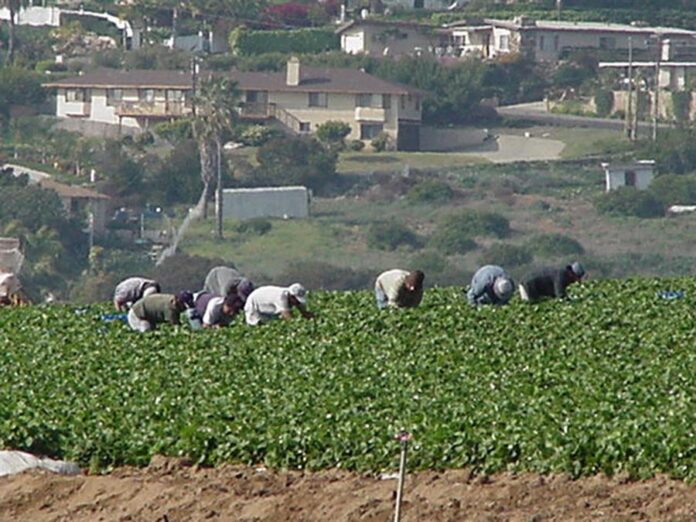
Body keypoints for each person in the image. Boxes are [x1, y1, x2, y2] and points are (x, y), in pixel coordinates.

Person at [244, 283, 313, 326]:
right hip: (254, 304)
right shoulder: (282, 297)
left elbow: (303, 311)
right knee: (257, 325)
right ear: (292, 296)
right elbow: (287, 317)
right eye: (296, 300)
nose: (297, 303)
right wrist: (299, 327)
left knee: (271, 323)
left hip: (267, 306)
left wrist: (311, 318)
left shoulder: (291, 297)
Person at [127, 291, 194, 332]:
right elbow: (175, 326)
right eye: (184, 306)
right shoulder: (170, 308)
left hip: (148, 315)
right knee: (147, 333)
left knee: (153, 331)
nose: (185, 309)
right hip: (137, 315)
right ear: (179, 302)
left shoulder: (173, 301)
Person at [519, 262, 586, 303]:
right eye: (577, 278)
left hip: (533, 285)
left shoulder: (565, 276)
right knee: (531, 306)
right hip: (528, 285)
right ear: (572, 274)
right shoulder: (561, 276)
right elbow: (560, 295)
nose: (576, 281)